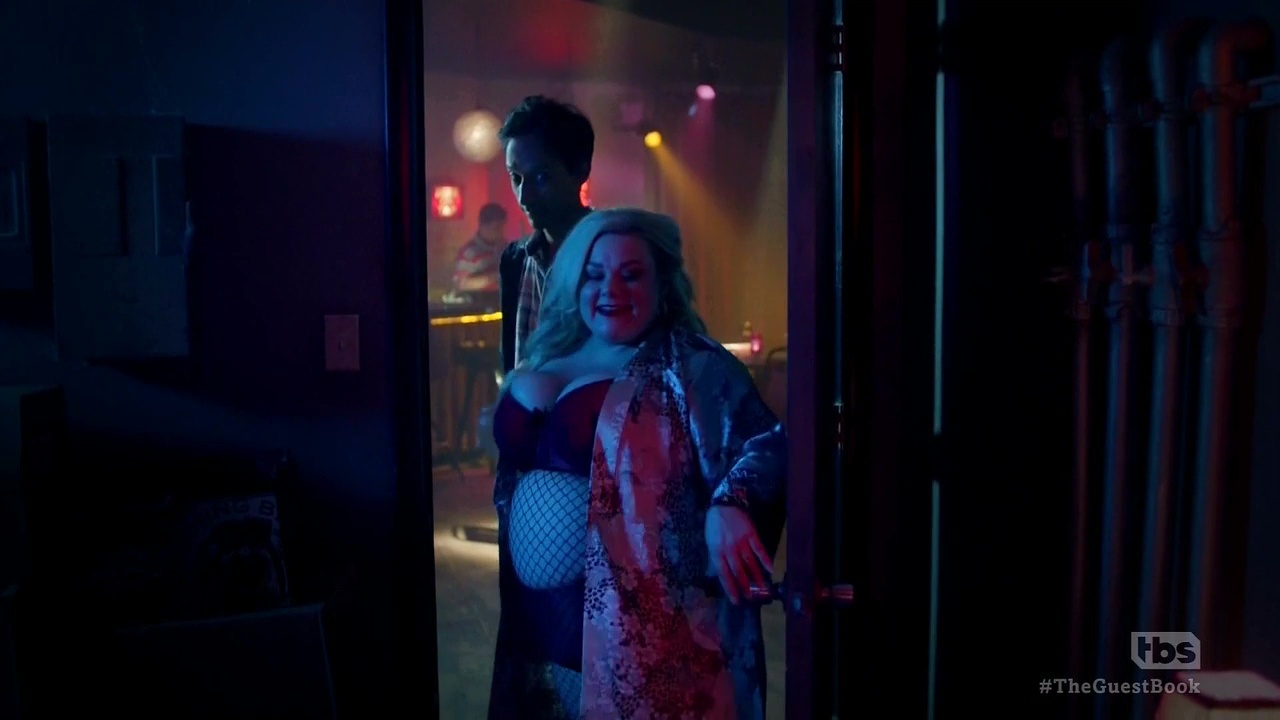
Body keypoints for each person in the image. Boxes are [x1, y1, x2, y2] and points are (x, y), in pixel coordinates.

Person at [488, 207, 787, 719]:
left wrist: (732, 503)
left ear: (662, 284)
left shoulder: (692, 364)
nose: (611, 290)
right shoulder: (551, 350)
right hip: (534, 623)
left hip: (632, 624)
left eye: (631, 275)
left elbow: (768, 443)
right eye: (594, 275)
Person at [496, 95, 595, 375]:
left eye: (541, 177)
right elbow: (511, 361)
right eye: (516, 178)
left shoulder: (608, 256)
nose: (523, 196)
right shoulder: (515, 260)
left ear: (580, 170)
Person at [451, 202, 508, 295]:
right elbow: (461, 284)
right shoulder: (468, 253)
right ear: (484, 226)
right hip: (478, 302)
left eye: (502, 226)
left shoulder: (504, 247)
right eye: (497, 227)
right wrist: (496, 276)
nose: (501, 231)